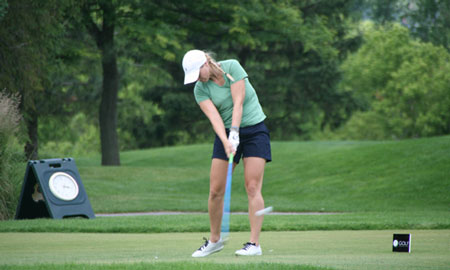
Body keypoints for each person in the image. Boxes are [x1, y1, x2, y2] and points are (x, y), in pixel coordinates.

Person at [182, 49, 272, 257]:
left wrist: (235, 132)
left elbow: (238, 102)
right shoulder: (200, 90)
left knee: (252, 186)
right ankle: (215, 240)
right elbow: (214, 118)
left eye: (198, 73)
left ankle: (254, 244)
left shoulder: (232, 67)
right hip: (225, 133)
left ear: (206, 62)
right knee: (215, 190)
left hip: (255, 130)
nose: (198, 79)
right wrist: (226, 139)